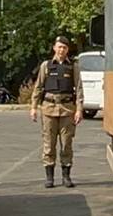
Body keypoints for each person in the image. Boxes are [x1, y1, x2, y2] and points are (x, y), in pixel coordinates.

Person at [31, 36, 84, 189]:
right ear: (54, 48)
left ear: (67, 50)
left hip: (67, 110)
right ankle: (50, 177)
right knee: (49, 144)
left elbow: (79, 89)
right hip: (48, 110)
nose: (62, 50)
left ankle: (66, 176)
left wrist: (79, 110)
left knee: (66, 144)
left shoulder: (73, 66)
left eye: (65, 48)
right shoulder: (46, 66)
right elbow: (38, 87)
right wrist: (34, 107)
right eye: (59, 47)